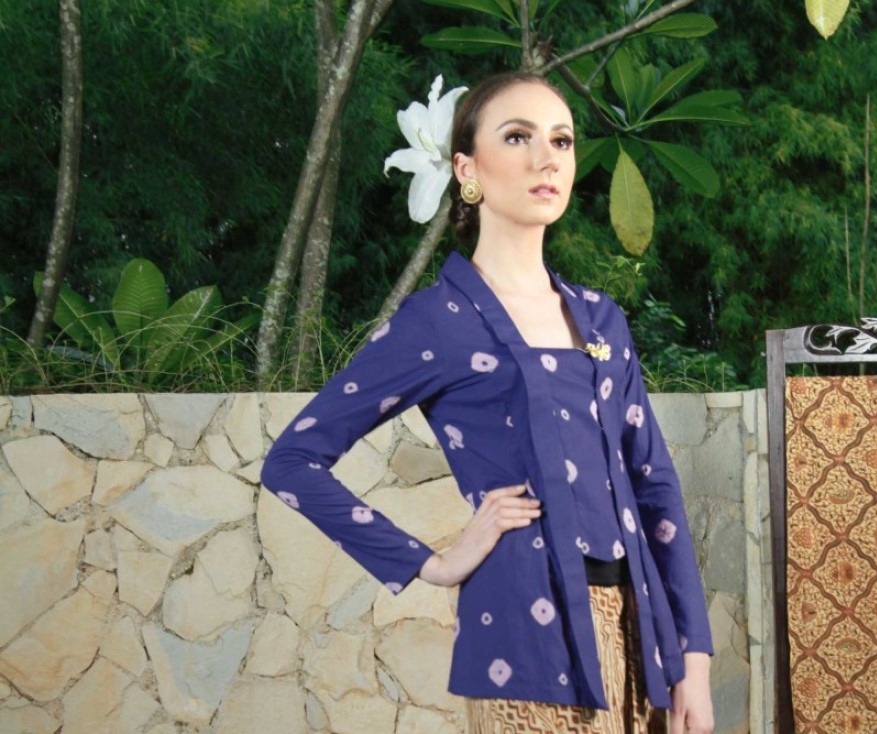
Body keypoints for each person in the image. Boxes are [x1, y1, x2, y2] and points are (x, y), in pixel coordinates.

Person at [261, 71, 715, 734]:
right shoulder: (436, 321)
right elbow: (292, 461)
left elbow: (656, 488)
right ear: (467, 169)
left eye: (561, 140)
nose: (546, 158)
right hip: (526, 651)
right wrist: (435, 561)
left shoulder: (601, 318)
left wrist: (692, 661)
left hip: (638, 641)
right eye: (518, 137)